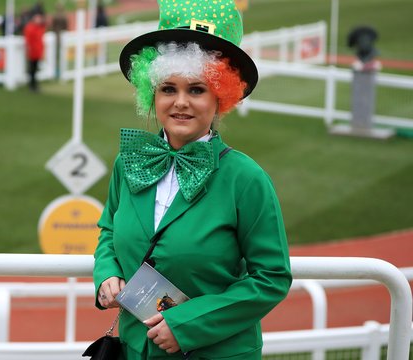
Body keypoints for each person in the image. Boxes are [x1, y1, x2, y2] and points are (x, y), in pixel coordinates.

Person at [92, 0, 292, 358]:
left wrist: (187, 325)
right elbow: (108, 228)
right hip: (136, 348)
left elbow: (271, 277)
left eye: (196, 90)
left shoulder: (246, 179)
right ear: (151, 94)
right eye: (168, 88)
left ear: (220, 97)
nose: (180, 102)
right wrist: (106, 272)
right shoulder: (130, 162)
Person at [24, 13, 46, 92]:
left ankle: (34, 85)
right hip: (32, 52)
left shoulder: (39, 28)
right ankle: (31, 85)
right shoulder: (30, 27)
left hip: (37, 51)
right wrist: (29, 50)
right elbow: (28, 40)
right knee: (32, 69)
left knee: (35, 69)